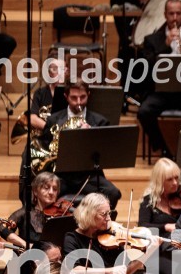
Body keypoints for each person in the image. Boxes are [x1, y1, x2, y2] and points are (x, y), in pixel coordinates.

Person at [138, 0, 181, 158]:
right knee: (144, 112)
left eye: (178, 13)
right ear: (165, 15)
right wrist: (165, 47)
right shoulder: (152, 40)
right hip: (160, 93)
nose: (175, 18)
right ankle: (163, 149)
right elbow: (145, 69)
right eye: (171, 14)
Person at [40, 81, 121, 209]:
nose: (78, 102)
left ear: (88, 95)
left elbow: (106, 154)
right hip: (61, 175)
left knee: (113, 193)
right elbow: (44, 148)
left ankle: (99, 224)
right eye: (73, 97)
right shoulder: (53, 120)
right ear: (66, 97)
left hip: (89, 176)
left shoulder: (99, 121)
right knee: (42, 193)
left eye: (82, 97)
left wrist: (91, 136)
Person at [139, 158, 181, 274]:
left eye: (176, 178)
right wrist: (165, 225)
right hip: (156, 251)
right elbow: (142, 227)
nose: (175, 183)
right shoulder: (148, 202)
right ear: (160, 180)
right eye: (170, 179)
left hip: (178, 248)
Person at [0, 172, 62, 248]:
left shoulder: (61, 214)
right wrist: (25, 244)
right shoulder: (25, 212)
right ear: (35, 191)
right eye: (46, 188)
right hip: (27, 256)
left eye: (55, 189)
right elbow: (1, 228)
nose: (51, 192)